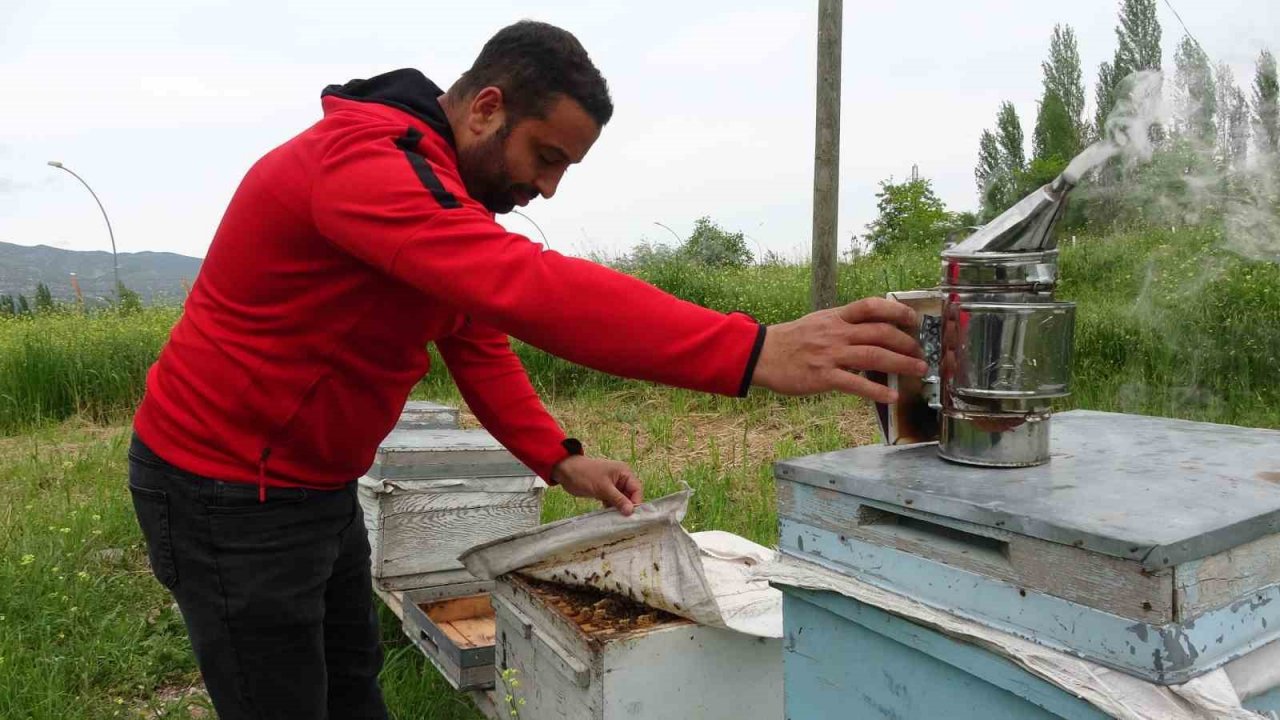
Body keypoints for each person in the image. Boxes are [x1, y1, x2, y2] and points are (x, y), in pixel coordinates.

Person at [126, 19, 926, 720]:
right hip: (226, 492)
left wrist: (560, 456)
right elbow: (528, 287)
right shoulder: (364, 165)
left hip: (313, 486)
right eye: (546, 156)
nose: (547, 185)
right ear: (486, 107)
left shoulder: (438, 194)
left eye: (565, 168)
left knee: (350, 689)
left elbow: (476, 335)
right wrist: (756, 350)